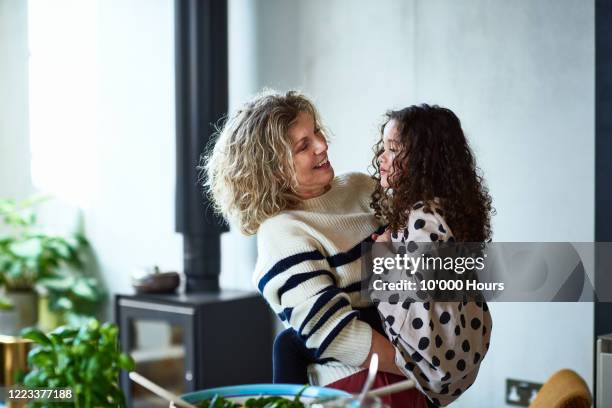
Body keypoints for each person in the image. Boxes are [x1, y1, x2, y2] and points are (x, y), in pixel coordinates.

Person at [205, 90, 430, 407]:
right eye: (303, 145)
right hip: (367, 384)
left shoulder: (362, 187)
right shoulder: (282, 232)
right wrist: (422, 371)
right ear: (273, 170)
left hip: (411, 362)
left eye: (316, 133)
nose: (322, 145)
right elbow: (335, 333)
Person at [370, 104, 494, 406]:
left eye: (393, 150)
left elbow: (423, 307)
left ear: (424, 161)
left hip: (434, 357)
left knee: (290, 344)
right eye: (383, 148)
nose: (381, 159)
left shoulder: (423, 217)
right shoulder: (448, 209)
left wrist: (384, 254)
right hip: (462, 353)